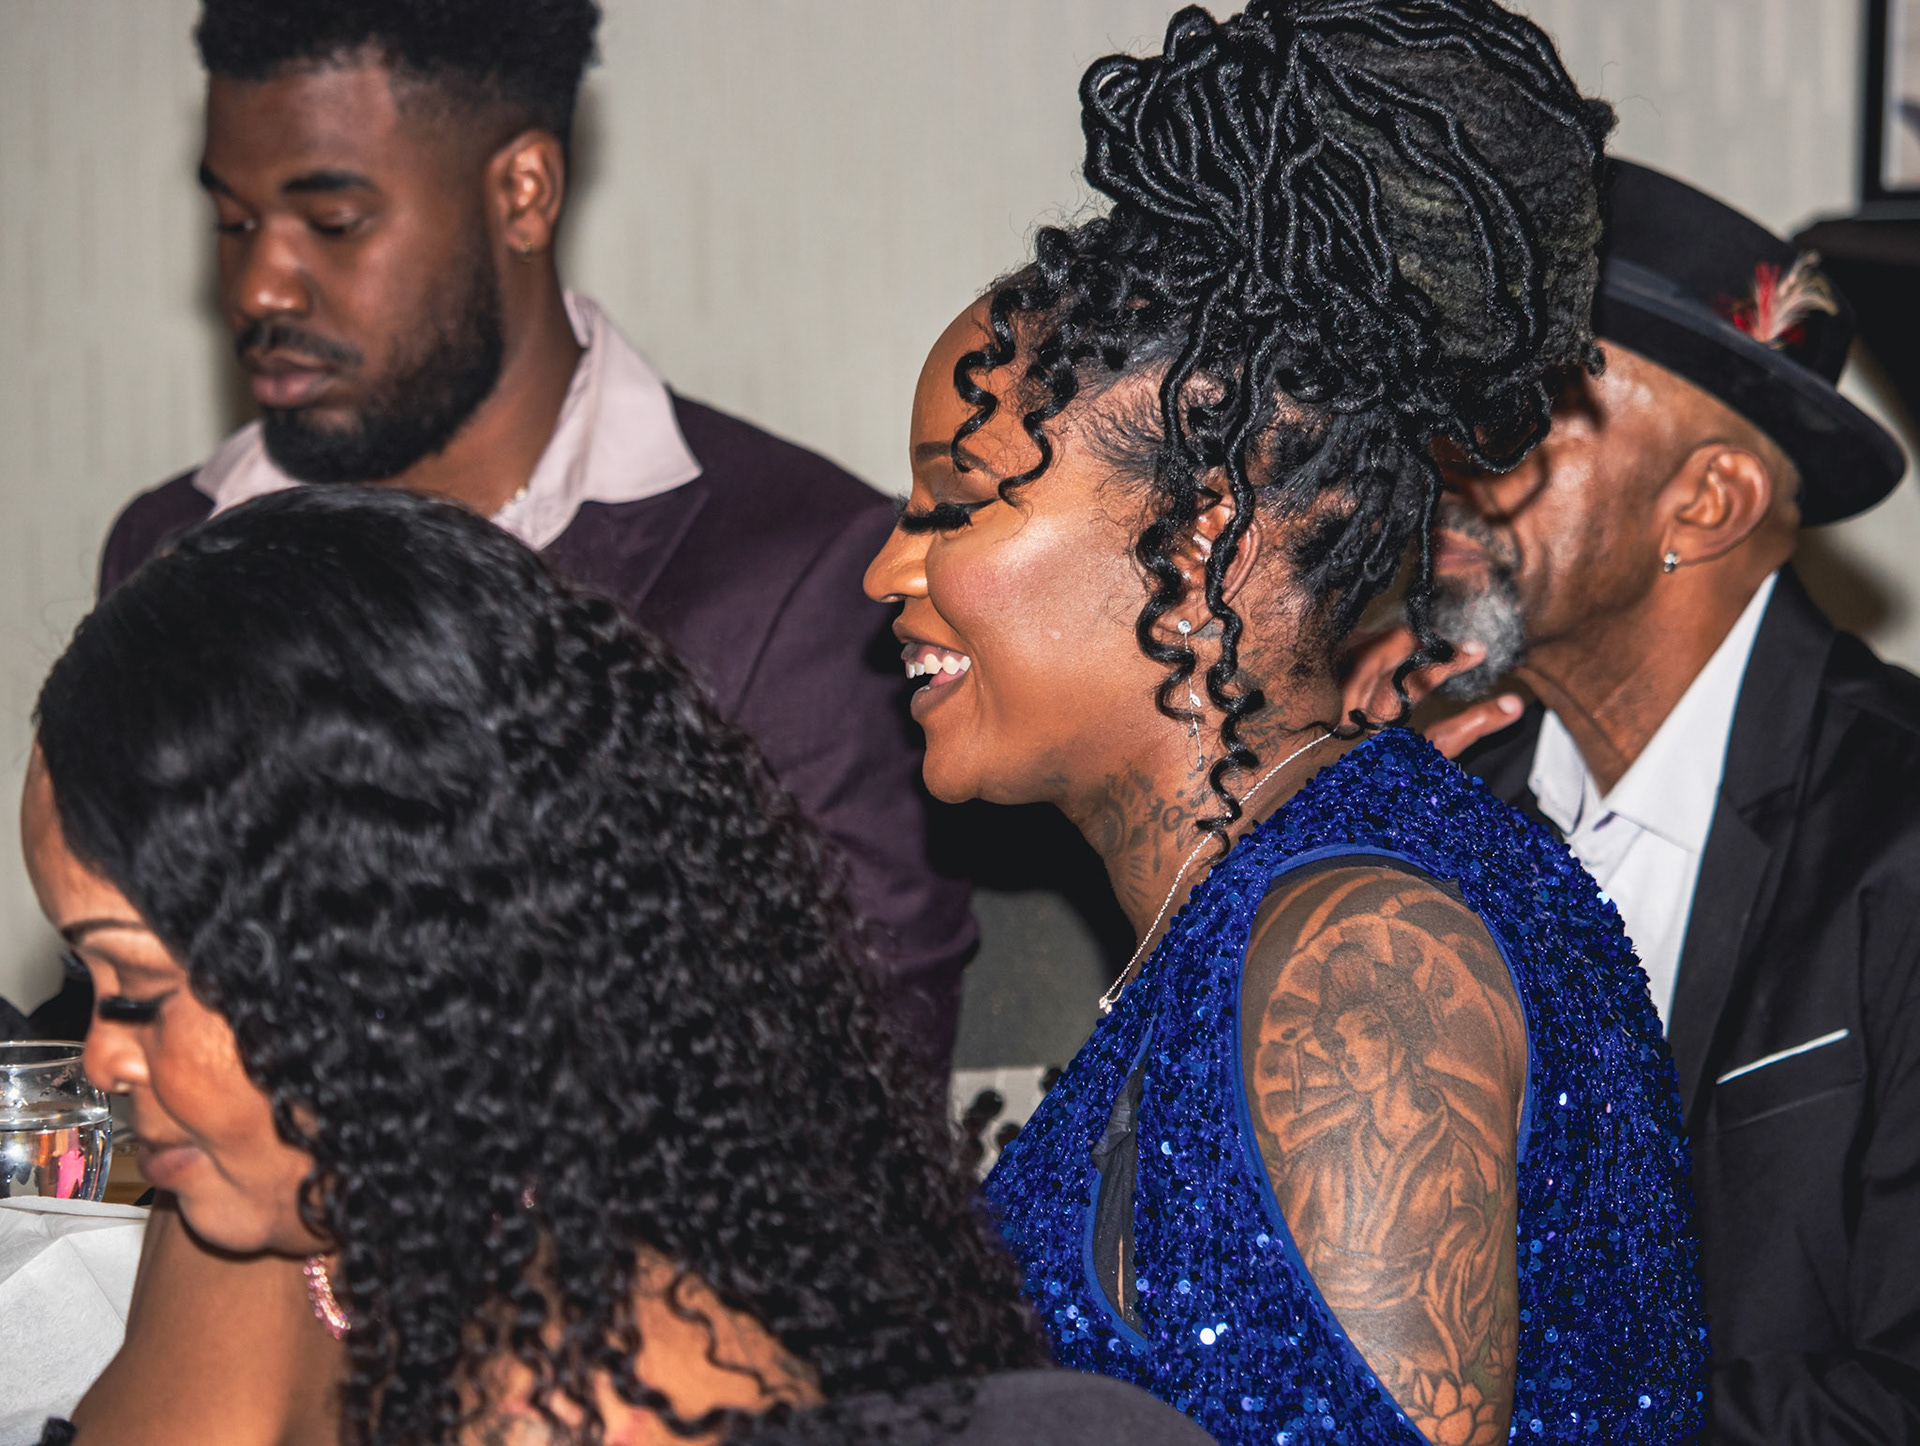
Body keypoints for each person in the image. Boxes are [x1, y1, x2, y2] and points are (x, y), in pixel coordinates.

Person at [862, 4, 1708, 1444]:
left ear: (1201, 535)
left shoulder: (1361, 960)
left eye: (956, 500)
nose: (889, 567)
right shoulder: (1275, 901)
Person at [25, 486, 1213, 1446]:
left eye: (138, 991)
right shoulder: (263, 1212)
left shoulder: (615, 1386)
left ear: (374, 953)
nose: (103, 1056)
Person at [60, 0, 972, 1066]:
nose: (259, 284)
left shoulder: (799, 577)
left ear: (523, 193)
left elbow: (856, 1091)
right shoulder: (169, 549)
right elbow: (115, 1029)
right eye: (232, 222)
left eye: (334, 221)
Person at [1347, 162, 1920, 1443]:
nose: (1449, 456)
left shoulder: (1897, 833)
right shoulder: (1441, 798)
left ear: (1706, 504)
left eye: (1520, 413)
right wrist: (1317, 862)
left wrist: (1516, 1423)